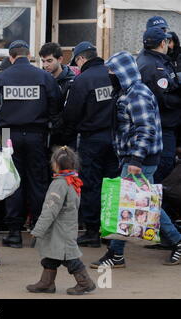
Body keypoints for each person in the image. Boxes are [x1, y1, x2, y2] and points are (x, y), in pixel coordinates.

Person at [90, 50, 181, 268]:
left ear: (123, 71)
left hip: (139, 160)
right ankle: (174, 242)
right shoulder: (129, 91)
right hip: (136, 158)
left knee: (132, 203)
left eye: (112, 70)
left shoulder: (136, 94)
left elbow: (145, 129)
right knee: (144, 203)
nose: (110, 73)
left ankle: (116, 254)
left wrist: (136, 160)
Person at [0, 40, 61, 248]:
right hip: (36, 135)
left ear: (11, 57)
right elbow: (56, 107)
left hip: (8, 135)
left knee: (12, 182)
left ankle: (14, 232)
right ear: (29, 55)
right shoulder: (45, 77)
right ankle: (38, 232)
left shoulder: (0, 78)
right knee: (37, 182)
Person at [63, 41, 119, 248]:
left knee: (92, 186)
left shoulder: (82, 80)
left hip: (91, 139)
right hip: (114, 139)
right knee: (112, 185)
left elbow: (71, 114)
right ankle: (111, 232)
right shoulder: (113, 75)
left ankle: (92, 232)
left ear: (81, 59)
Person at [26, 146, 96, 295]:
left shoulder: (59, 184)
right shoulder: (72, 181)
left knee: (69, 258)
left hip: (60, 230)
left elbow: (50, 210)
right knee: (52, 255)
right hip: (67, 227)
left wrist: (37, 231)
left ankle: (85, 283)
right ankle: (47, 283)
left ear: (56, 165)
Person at [137, 27, 181, 184]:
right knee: (163, 168)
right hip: (161, 126)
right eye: (167, 41)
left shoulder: (155, 60)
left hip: (163, 126)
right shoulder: (154, 66)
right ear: (163, 43)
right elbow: (163, 100)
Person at [39, 42, 76, 147]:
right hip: (44, 133)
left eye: (49, 61)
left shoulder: (71, 81)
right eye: (43, 61)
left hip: (64, 135)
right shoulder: (41, 78)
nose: (45, 65)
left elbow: (71, 111)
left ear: (60, 59)